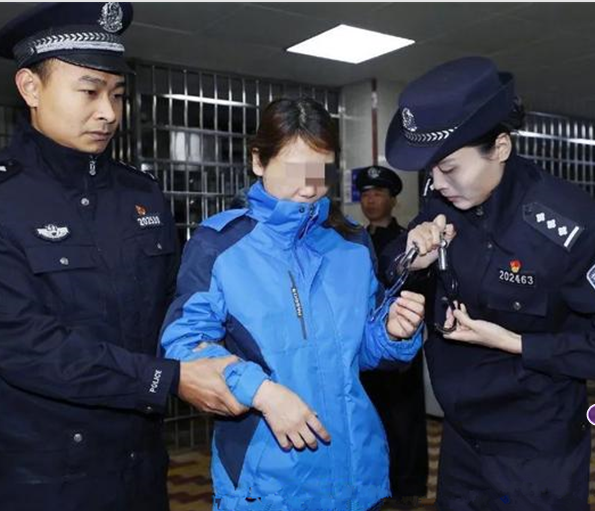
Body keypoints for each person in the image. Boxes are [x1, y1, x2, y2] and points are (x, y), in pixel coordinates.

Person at [0, 4, 244, 510]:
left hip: (141, 464)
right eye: (89, 91)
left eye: (117, 94)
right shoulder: (7, 197)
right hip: (43, 476)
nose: (109, 112)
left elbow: (174, 304)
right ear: (30, 88)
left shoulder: (142, 194)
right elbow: (22, 342)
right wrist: (168, 379)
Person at [160, 97, 425, 511]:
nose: (309, 187)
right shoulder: (220, 245)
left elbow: (362, 350)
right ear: (258, 161)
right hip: (269, 480)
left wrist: (392, 331)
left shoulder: (351, 243)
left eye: (320, 171)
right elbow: (183, 345)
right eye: (293, 170)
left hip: (358, 471)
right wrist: (262, 392)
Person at [382, 56, 595, 511]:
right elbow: (393, 260)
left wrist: (515, 342)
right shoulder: (445, 198)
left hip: (537, 450)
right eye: (429, 171)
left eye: (449, 168)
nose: (437, 184)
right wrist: (411, 257)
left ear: (499, 148)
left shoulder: (568, 225)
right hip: (462, 439)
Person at [355, 165, 428, 509]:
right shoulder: (353, 241)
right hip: (363, 349)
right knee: (369, 422)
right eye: (365, 194)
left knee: (404, 425)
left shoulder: (409, 244)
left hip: (400, 348)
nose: (371, 200)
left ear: (393, 200)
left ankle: (404, 493)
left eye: (378, 194)